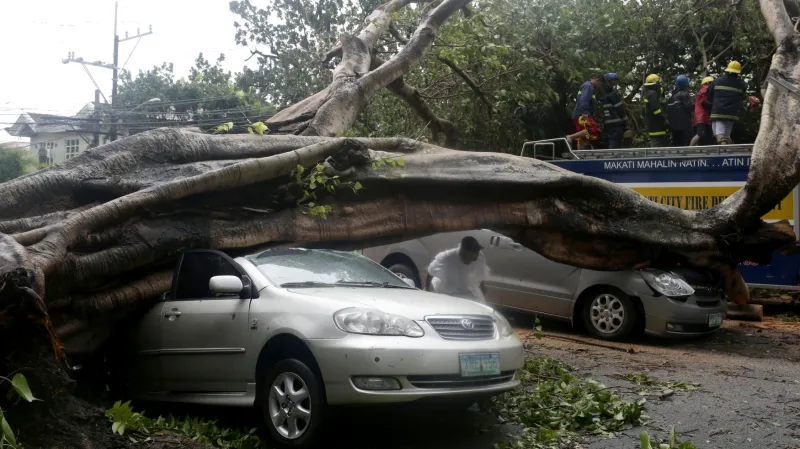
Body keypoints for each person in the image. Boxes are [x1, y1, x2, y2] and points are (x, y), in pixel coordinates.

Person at [425, 236, 489, 304]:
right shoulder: (447, 257)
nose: (470, 262)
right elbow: (431, 271)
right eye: (468, 259)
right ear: (462, 251)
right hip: (447, 290)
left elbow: (480, 272)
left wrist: (482, 286)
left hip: (465, 289)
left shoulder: (480, 257)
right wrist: (427, 288)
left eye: (473, 260)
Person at [707, 61, 747, 144]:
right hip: (732, 113)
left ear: (727, 70)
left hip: (718, 112)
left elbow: (708, 96)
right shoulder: (741, 85)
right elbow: (742, 97)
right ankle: (729, 149)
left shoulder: (717, 81)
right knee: (726, 135)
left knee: (719, 133)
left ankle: (723, 152)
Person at [566, 74, 604, 150]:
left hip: (580, 113)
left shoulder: (590, 87)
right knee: (593, 129)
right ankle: (570, 137)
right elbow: (584, 99)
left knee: (582, 137)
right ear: (597, 80)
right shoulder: (588, 86)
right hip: (582, 114)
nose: (600, 86)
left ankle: (580, 155)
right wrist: (585, 112)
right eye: (600, 83)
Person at [601, 72, 627, 149]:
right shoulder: (612, 94)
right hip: (616, 122)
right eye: (614, 80)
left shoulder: (604, 93)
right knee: (615, 143)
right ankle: (613, 159)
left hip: (608, 123)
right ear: (609, 81)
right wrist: (625, 120)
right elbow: (619, 108)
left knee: (612, 141)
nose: (615, 82)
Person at [666, 75, 694, 147]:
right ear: (686, 85)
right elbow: (689, 107)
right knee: (686, 144)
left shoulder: (671, 97)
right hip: (685, 126)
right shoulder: (684, 94)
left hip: (674, 127)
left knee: (676, 145)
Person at [643, 74, 669, 147]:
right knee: (656, 143)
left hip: (653, 122)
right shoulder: (652, 94)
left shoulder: (648, 93)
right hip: (656, 122)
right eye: (658, 83)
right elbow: (656, 108)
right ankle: (653, 158)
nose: (660, 85)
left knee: (659, 142)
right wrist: (664, 117)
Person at [690, 76, 715, 146]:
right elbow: (705, 102)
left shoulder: (702, 90)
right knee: (700, 134)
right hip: (702, 117)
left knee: (704, 135)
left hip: (701, 116)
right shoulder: (706, 89)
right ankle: (689, 148)